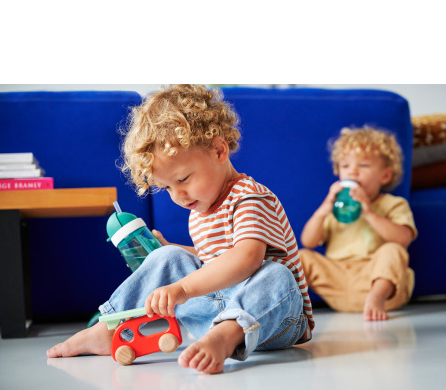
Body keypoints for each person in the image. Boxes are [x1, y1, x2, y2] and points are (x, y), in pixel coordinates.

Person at [47, 84, 314, 374]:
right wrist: (172, 251)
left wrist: (183, 288)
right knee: (167, 257)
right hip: (214, 311)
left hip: (274, 318)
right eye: (167, 188)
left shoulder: (249, 197)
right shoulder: (200, 207)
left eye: (183, 179)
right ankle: (110, 327)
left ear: (219, 150)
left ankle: (225, 337)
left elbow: (246, 258)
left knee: (277, 275)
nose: (179, 196)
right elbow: (213, 259)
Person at [299, 126, 417, 321]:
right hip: (338, 282)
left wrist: (369, 213)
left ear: (385, 176)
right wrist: (324, 209)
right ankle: (286, 307)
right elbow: (308, 241)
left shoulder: (393, 204)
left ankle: (376, 298)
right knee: (302, 257)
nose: (353, 172)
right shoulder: (335, 207)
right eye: (345, 166)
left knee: (393, 250)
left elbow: (403, 239)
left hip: (377, 282)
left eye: (363, 165)